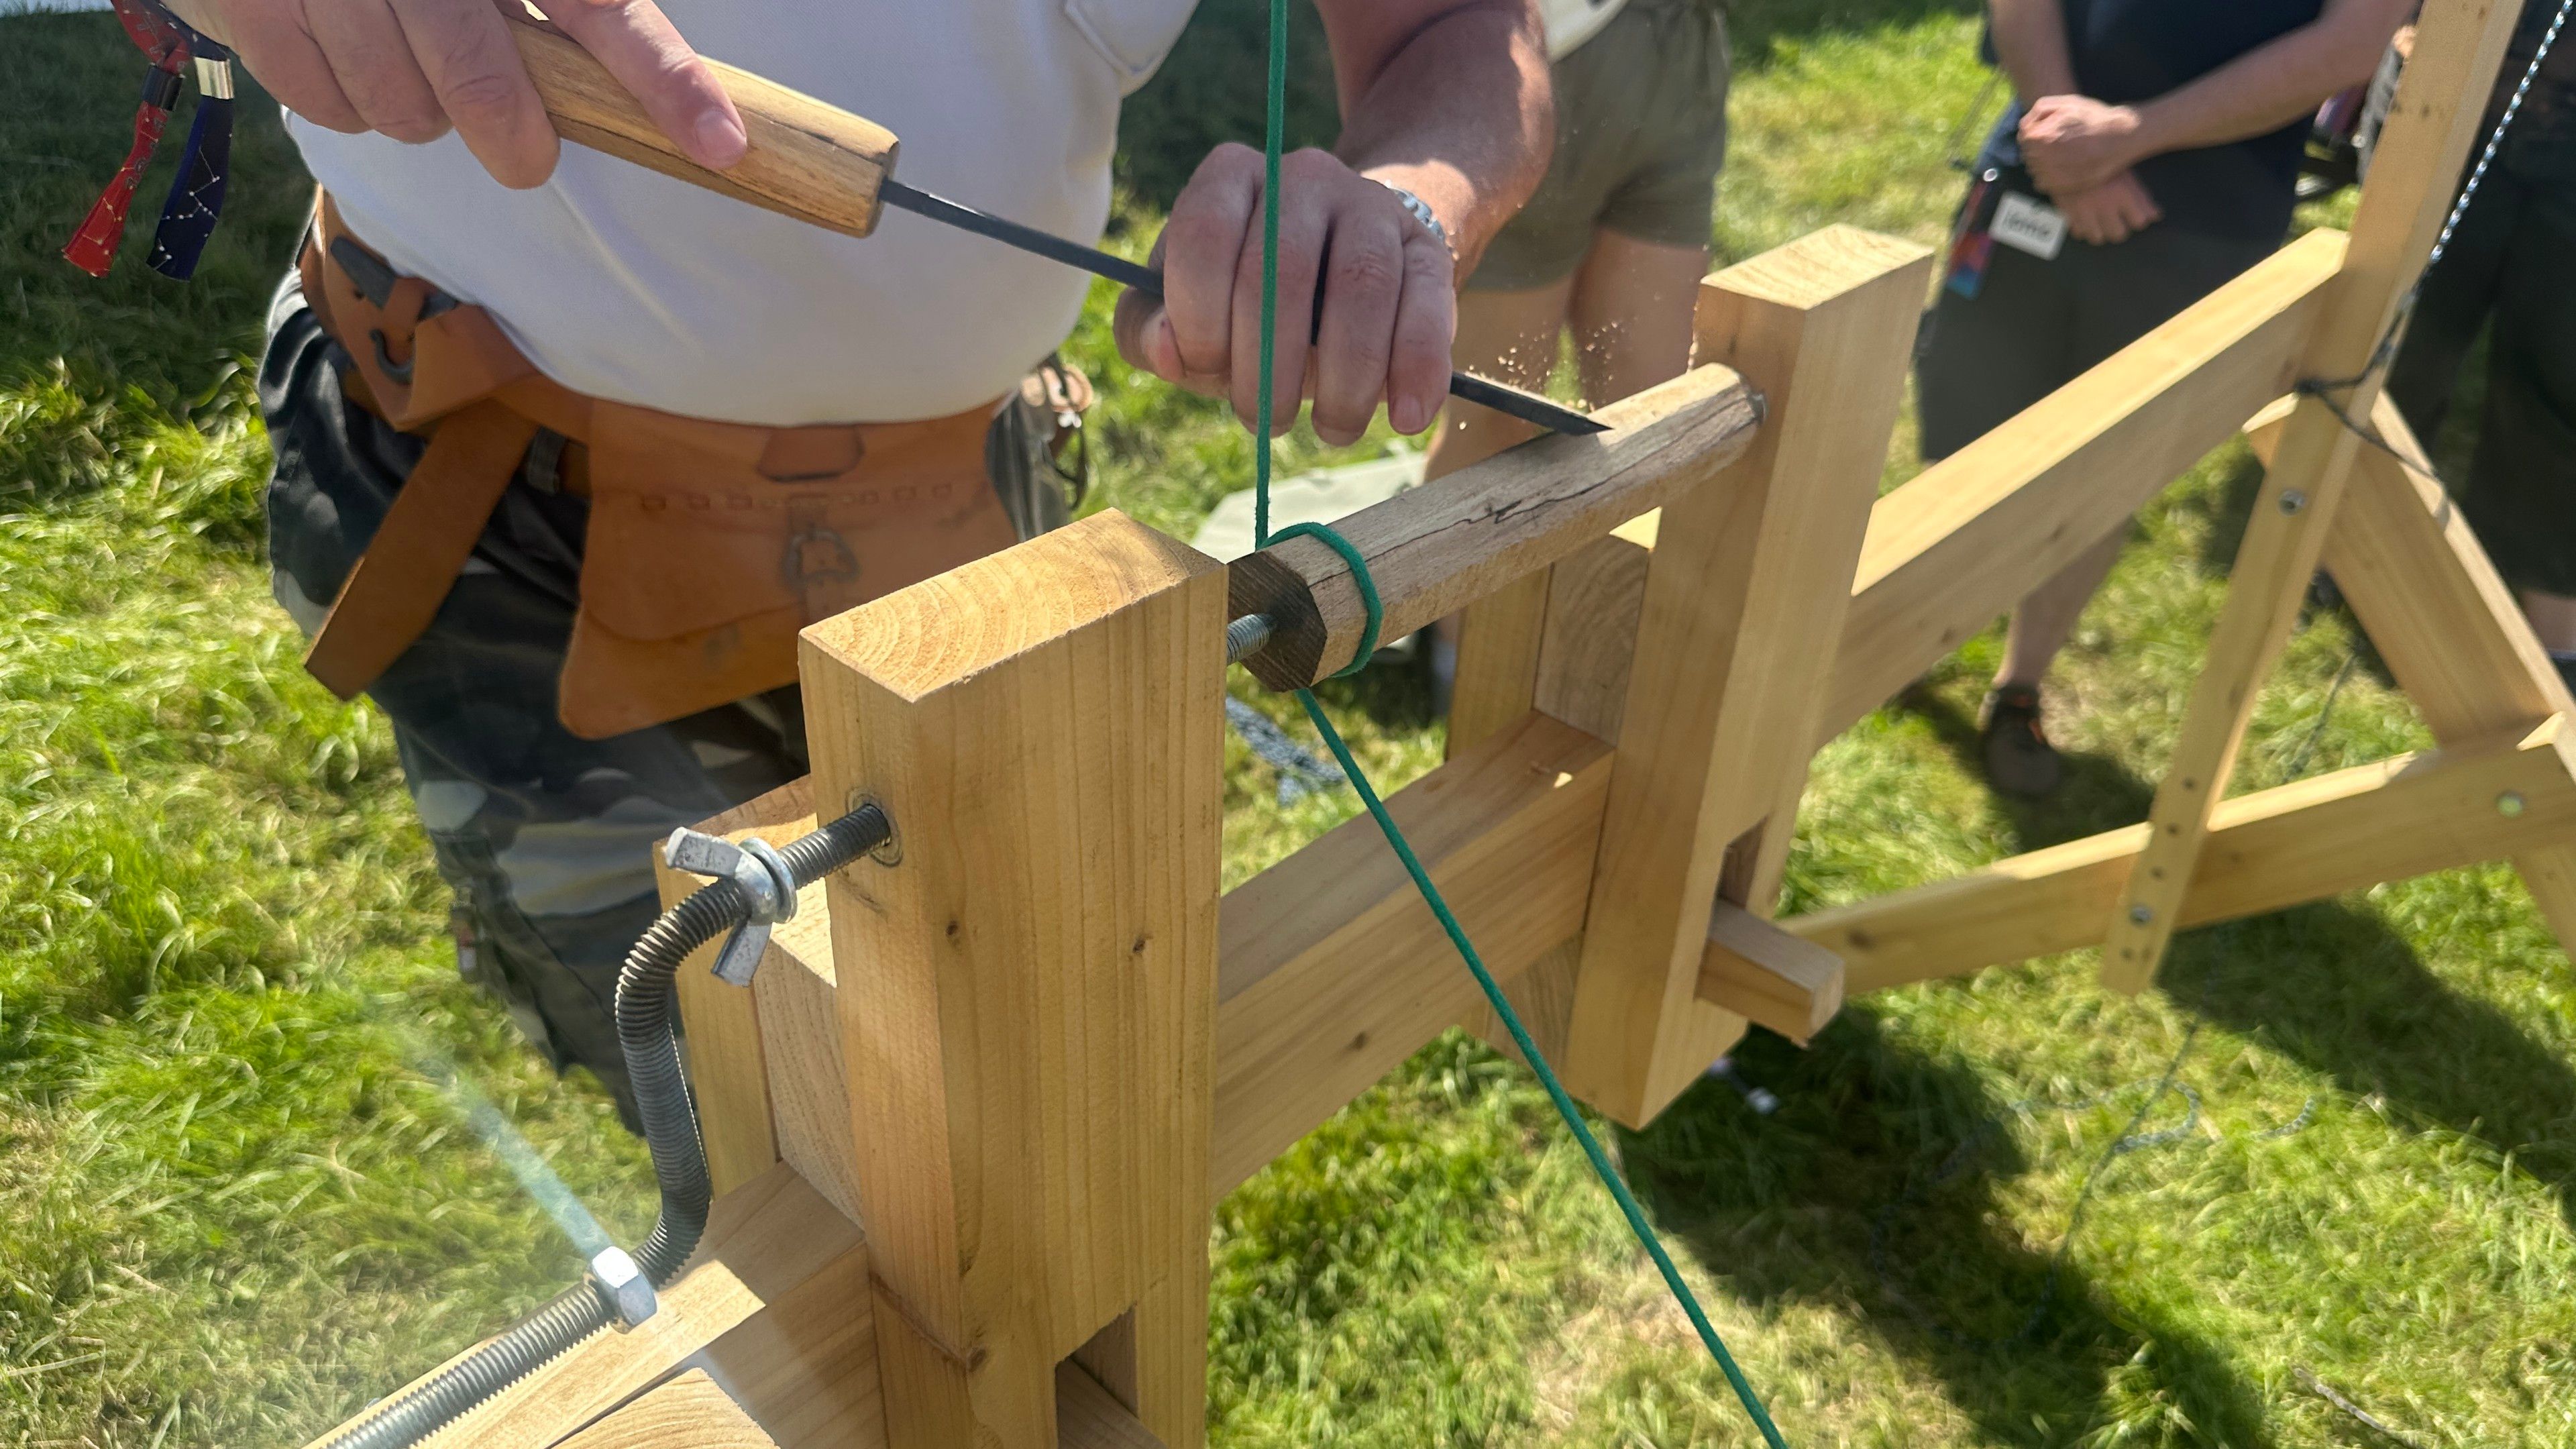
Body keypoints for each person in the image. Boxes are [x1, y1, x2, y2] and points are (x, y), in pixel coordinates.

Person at [166, 0, 1552, 1121]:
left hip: (958, 506)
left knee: (985, 1031)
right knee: (724, 1094)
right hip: (507, 521)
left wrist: (1407, 205)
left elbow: (1458, 32)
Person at [1917, 0, 2411, 796]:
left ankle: (2019, 687)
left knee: (2105, 470)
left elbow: (2352, 44)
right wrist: (2064, 140)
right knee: (1965, 431)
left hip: (2204, 216)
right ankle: (1904, 632)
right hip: (2032, 169)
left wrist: (2127, 136)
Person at [1418, 0, 1731, 706]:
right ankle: (1463, 672)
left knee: (1652, 414)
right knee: (1497, 419)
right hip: (1533, 53)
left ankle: (1615, 662)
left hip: (1682, 41)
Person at [2389, 1, 2576, 691]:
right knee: (2409, 346)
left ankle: (2555, 628)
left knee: (2562, 373)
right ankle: (2348, 548)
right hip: (2461, 105)